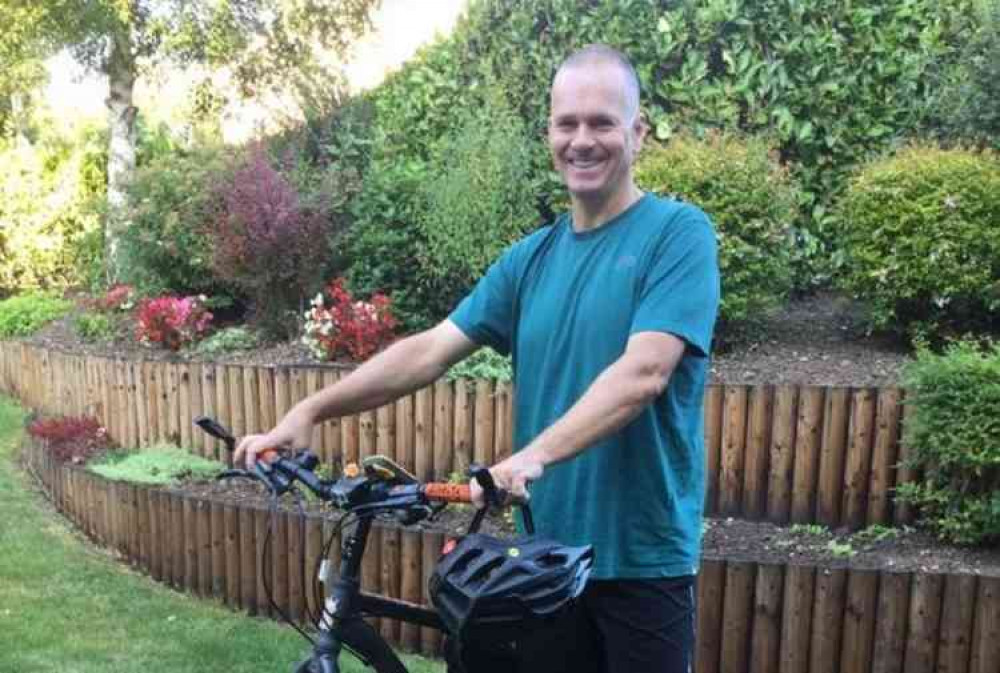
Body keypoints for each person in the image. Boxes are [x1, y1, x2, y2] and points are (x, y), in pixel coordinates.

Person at [237, 44, 719, 673]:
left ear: (638, 133)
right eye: (566, 123)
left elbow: (645, 372)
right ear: (548, 131)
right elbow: (431, 350)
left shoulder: (677, 235)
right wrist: (312, 409)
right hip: (544, 560)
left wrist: (532, 455)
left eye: (602, 122)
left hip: (640, 560)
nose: (582, 140)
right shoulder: (529, 260)